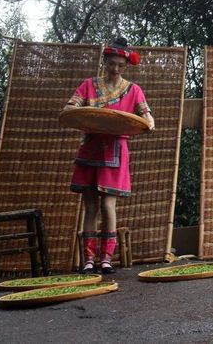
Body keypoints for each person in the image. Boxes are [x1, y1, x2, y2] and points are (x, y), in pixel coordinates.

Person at [63, 37, 155, 273]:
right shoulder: (88, 85)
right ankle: (88, 259)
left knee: (108, 206)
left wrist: (149, 121)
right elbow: (70, 108)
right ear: (104, 61)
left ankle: (106, 258)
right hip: (90, 147)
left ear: (126, 66)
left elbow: (145, 114)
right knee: (90, 205)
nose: (115, 69)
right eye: (111, 64)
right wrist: (77, 112)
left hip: (115, 149)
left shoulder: (133, 90)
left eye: (120, 66)